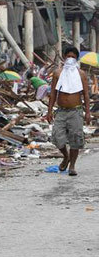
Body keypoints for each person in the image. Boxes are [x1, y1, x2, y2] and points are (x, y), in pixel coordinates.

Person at [47, 47, 91, 176]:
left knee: (75, 139)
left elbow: (86, 95)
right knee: (57, 137)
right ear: (64, 58)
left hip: (76, 111)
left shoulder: (81, 74)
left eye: (73, 57)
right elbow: (53, 94)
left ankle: (72, 165)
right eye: (68, 57)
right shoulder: (57, 73)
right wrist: (49, 111)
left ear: (76, 59)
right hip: (61, 111)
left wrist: (87, 112)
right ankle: (66, 157)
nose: (70, 59)